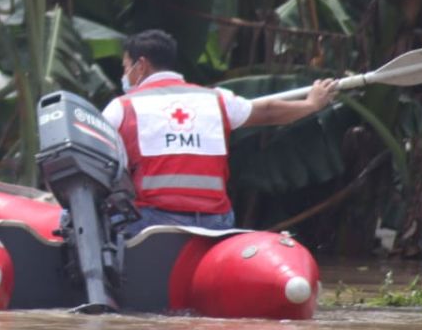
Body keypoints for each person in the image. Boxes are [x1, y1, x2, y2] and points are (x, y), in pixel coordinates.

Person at [102, 29, 337, 236]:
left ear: (140, 65)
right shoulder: (216, 99)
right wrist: (311, 105)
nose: (125, 75)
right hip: (214, 222)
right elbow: (267, 112)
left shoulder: (122, 107)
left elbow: (102, 165)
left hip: (152, 222)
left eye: (126, 68)